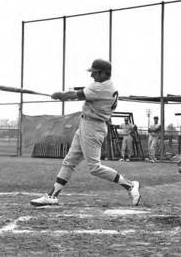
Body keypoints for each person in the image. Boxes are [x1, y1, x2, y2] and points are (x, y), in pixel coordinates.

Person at [30, 59, 141, 207]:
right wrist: (62, 95)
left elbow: (74, 95)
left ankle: (130, 186)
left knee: (95, 167)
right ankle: (52, 195)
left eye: (94, 73)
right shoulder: (105, 85)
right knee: (69, 161)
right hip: (86, 124)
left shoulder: (101, 88)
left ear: (102, 73)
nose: (92, 76)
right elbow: (79, 94)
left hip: (93, 128)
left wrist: (60, 94)